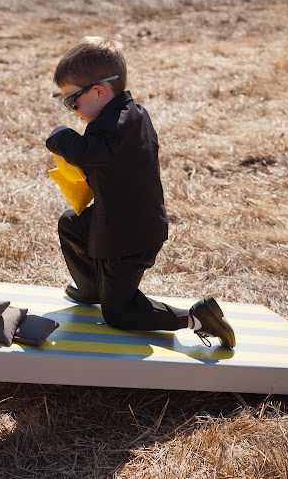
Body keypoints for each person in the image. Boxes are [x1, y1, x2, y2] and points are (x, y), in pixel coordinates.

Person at [45, 35, 235, 348]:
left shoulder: (113, 127)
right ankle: (91, 288)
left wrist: (61, 137)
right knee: (71, 224)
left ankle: (197, 318)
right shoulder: (132, 115)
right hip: (121, 220)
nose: (71, 109)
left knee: (119, 314)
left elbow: (89, 152)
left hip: (130, 238)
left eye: (72, 100)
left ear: (99, 92)